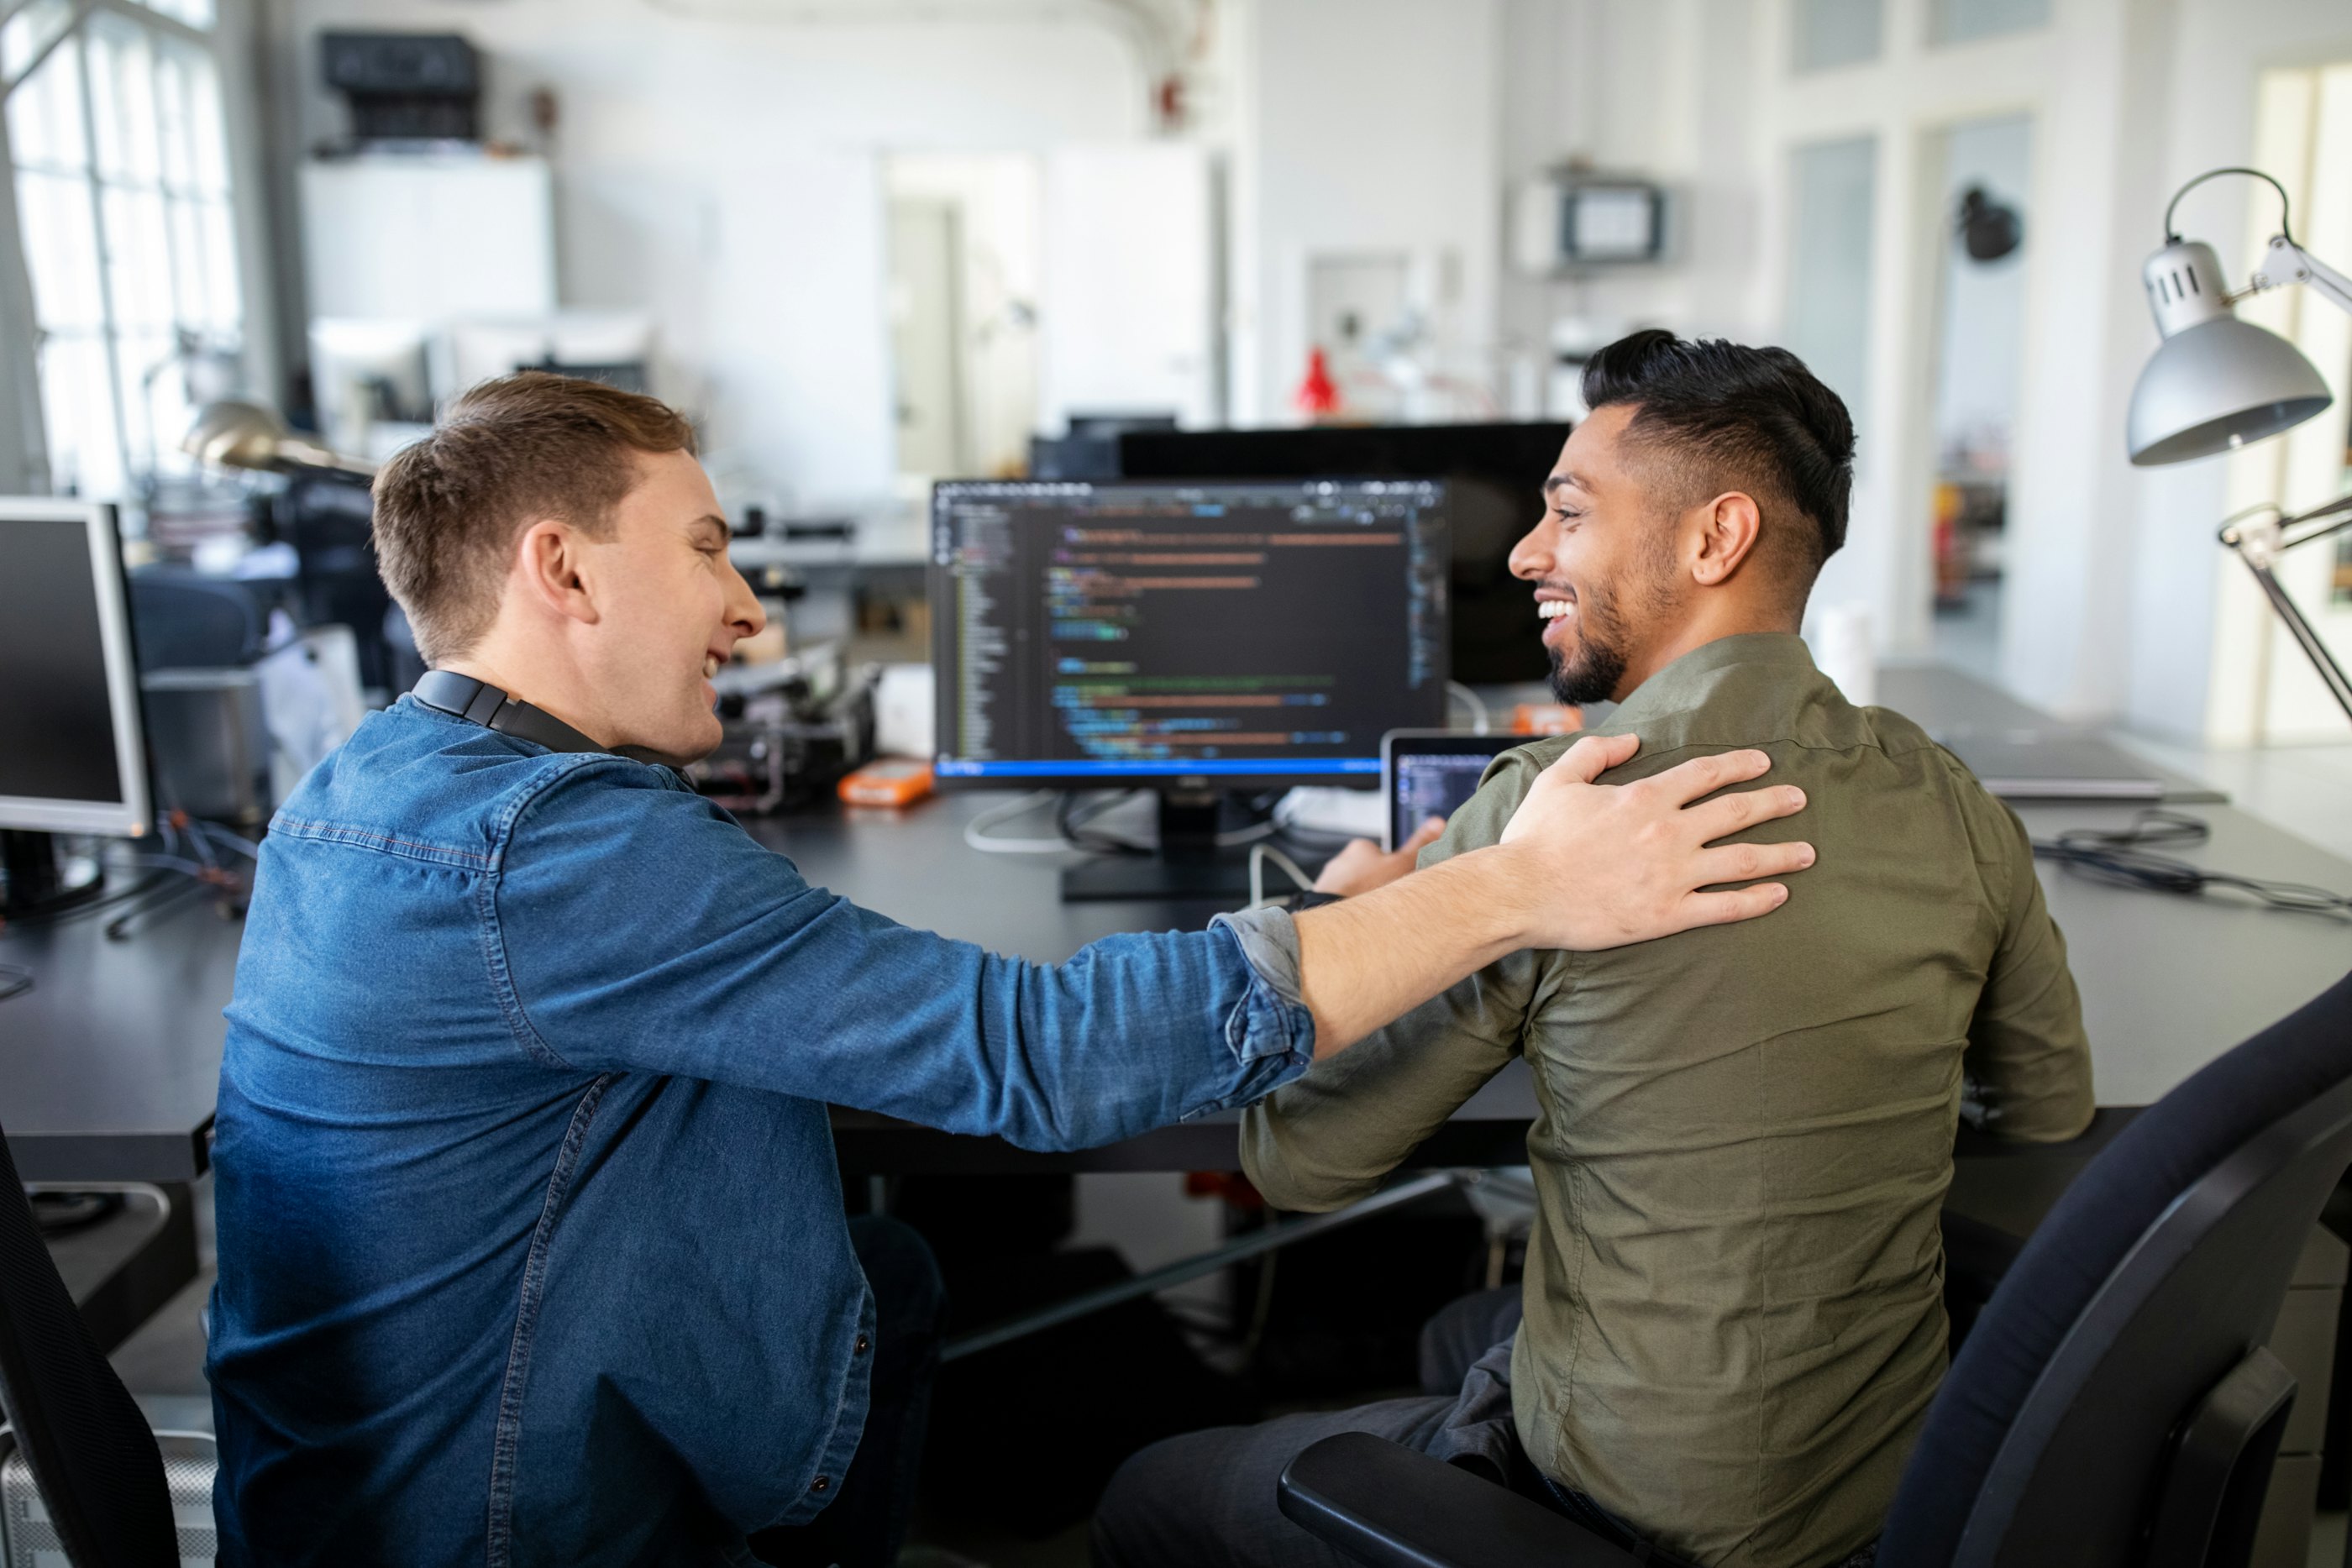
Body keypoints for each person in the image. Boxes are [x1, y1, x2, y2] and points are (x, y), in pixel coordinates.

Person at [203, 371, 1819, 1568]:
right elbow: (1034, 1056)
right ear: (563, 572)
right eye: (706, 549)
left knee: (896, 1279)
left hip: (362, 1479)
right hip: (490, 1528)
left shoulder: (383, 787)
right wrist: (1511, 890)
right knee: (907, 1277)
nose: (750, 611)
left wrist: (1342, 915)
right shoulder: (556, 853)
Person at [1093, 332, 2096, 1568]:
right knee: (1472, 1325)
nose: (1524, 552)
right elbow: (2046, 1108)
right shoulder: (1951, 798)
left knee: (1148, 1495)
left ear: (1713, 539)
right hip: (1879, 1494)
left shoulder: (1560, 802)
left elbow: (1300, 1157)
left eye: (1566, 513)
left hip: (1629, 1505)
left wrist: (1337, 919)